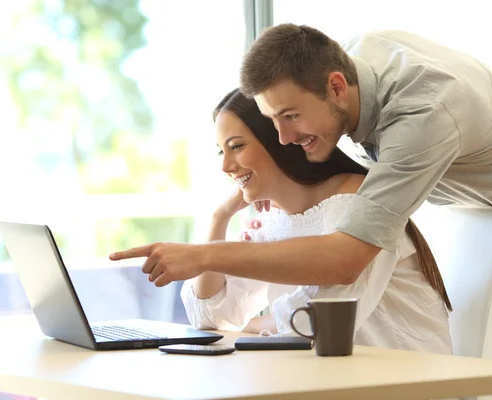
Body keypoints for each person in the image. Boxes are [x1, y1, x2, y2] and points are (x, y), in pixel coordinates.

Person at [109, 24, 492, 290]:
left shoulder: (423, 115)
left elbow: (344, 262)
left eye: (290, 116)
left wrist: (201, 256)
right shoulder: (351, 58)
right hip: (475, 205)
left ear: (337, 86)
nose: (282, 139)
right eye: (273, 119)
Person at [180, 88, 452, 354]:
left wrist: (250, 325)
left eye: (236, 146)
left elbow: (317, 322)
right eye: (221, 151)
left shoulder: (357, 203)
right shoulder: (275, 220)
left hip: (407, 383)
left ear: (278, 139)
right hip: (328, 377)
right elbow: (208, 318)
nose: (225, 166)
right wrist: (220, 217)